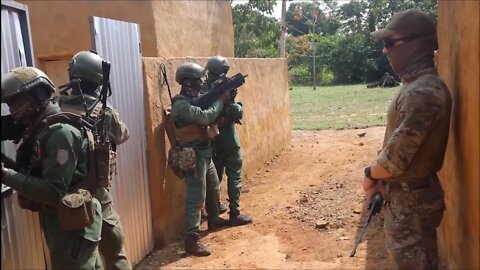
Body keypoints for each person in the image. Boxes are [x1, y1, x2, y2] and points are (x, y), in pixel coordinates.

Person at [363, 9, 452, 269]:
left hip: (410, 203)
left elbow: (395, 159)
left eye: (391, 43)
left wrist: (371, 174)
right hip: (405, 196)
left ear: (415, 44)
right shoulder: (415, 86)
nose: (385, 50)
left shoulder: (423, 92)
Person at [1, 66, 104, 269]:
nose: (13, 111)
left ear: (38, 94)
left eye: (17, 102)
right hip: (68, 223)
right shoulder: (43, 128)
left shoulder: (60, 133)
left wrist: (4, 174)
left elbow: (52, 192)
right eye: (10, 105)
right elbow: (34, 172)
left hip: (75, 228)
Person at [58, 50, 132, 270]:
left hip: (61, 197)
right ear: (99, 79)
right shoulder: (103, 111)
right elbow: (122, 135)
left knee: (82, 257)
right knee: (115, 249)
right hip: (95, 190)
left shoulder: (55, 106)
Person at [171, 62, 231, 256]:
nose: (201, 82)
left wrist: (225, 102)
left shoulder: (196, 99)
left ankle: (214, 219)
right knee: (196, 198)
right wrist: (220, 101)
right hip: (193, 154)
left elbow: (212, 118)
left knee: (213, 187)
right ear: (189, 82)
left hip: (204, 150)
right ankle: (191, 239)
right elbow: (205, 117)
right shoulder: (181, 105)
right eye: (198, 80)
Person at [203, 56, 253, 226]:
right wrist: (233, 102)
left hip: (212, 143)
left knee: (214, 179)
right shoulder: (218, 91)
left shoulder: (202, 90)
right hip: (229, 141)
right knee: (234, 177)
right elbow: (237, 112)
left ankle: (214, 213)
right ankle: (235, 214)